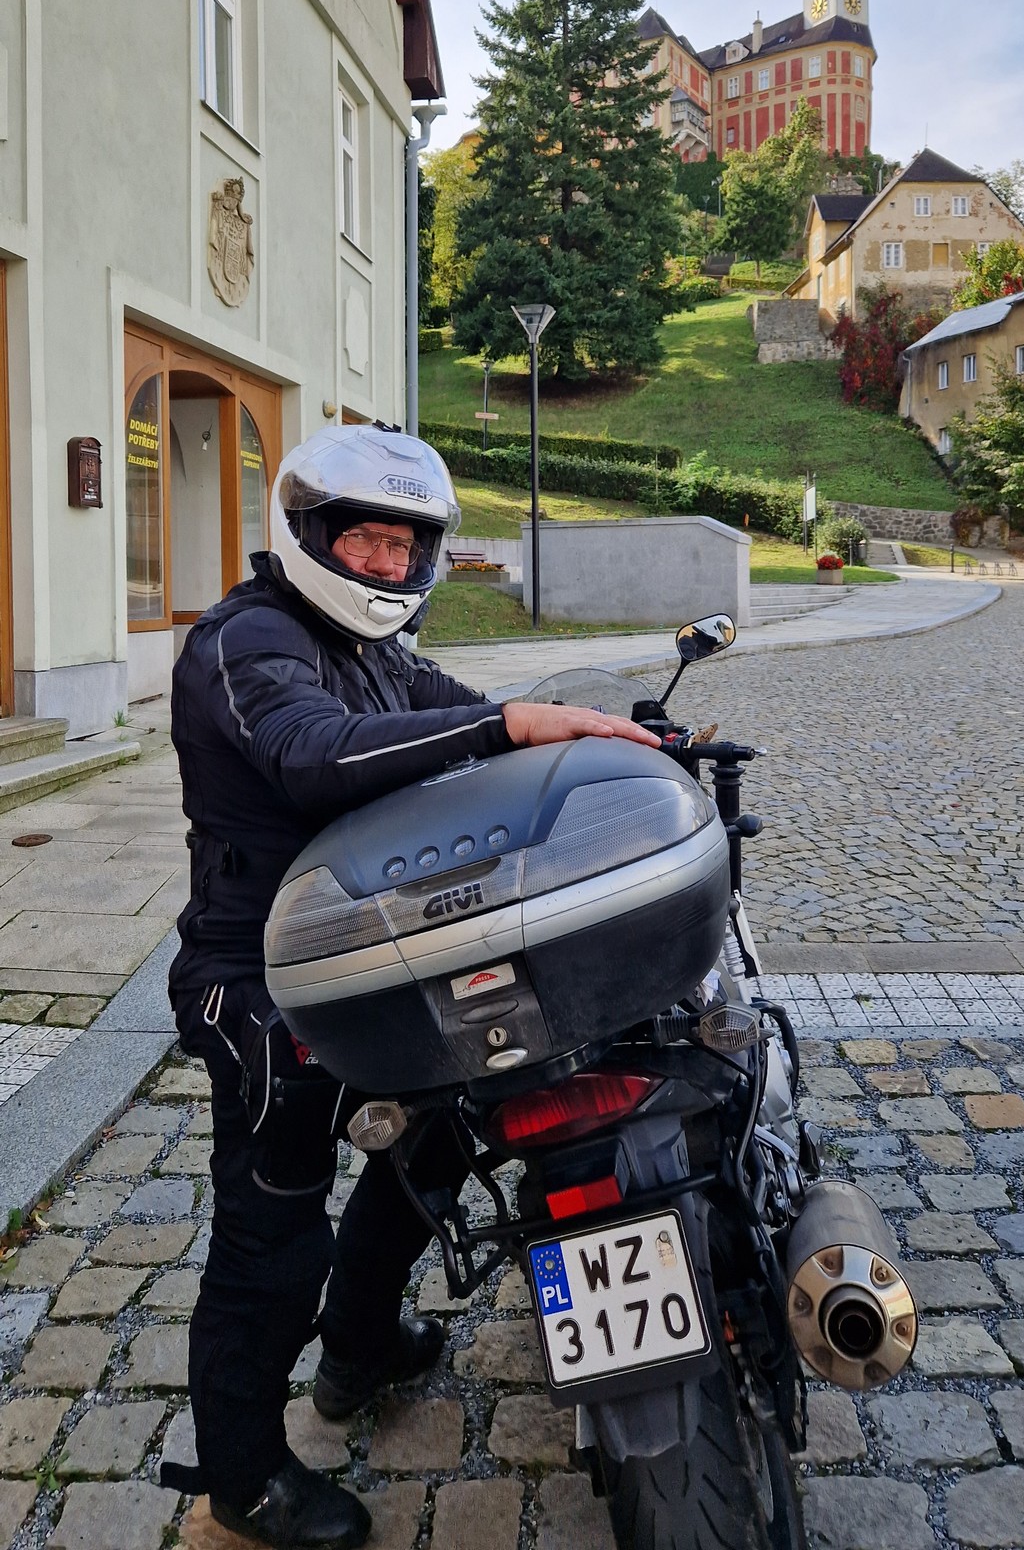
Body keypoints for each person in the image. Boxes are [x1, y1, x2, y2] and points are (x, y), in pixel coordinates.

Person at [163, 423, 658, 1549]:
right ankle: (242, 1479)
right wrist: (500, 722)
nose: (387, 565)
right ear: (313, 535)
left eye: (405, 546)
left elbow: (468, 722)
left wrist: (603, 741)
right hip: (264, 979)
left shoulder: (385, 649)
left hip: (385, 954)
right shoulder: (249, 640)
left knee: (435, 1139)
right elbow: (313, 752)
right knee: (272, 1231)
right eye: (366, 542)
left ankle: (359, 1344)